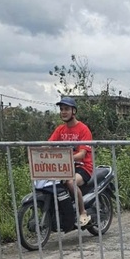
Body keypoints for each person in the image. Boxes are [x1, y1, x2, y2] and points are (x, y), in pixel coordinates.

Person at [48, 96, 93, 227]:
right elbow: (48, 144)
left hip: (83, 167)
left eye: (66, 109)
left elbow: (82, 154)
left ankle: (82, 212)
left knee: (70, 182)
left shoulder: (83, 129)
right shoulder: (60, 129)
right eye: (61, 109)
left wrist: (65, 157)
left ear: (74, 111)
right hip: (64, 166)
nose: (63, 112)